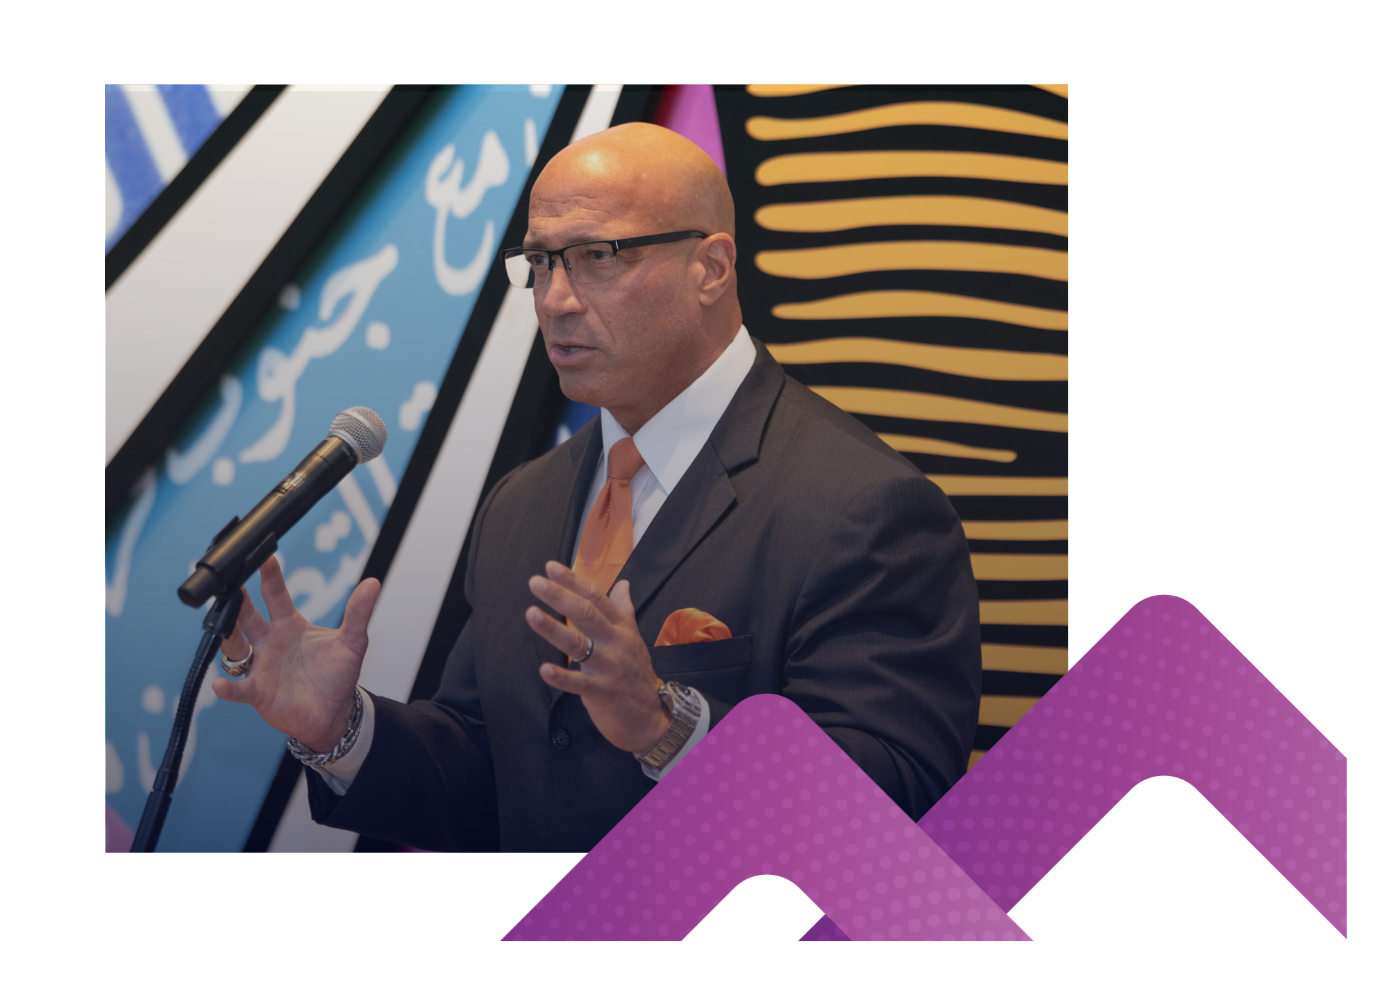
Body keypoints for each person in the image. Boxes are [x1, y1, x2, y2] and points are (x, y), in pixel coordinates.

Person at [212, 123, 982, 852]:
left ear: (711, 269)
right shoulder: (523, 501)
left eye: (597, 256)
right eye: (541, 263)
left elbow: (897, 808)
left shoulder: (862, 507)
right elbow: (493, 772)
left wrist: (669, 727)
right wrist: (341, 730)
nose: (556, 299)